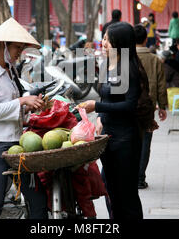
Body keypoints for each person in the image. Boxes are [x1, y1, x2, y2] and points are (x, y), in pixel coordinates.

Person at [0, 18, 48, 219]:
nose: (20, 52)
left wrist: (32, 106)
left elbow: (16, 110)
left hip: (17, 146)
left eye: (22, 47)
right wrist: (23, 101)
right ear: (3, 45)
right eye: (17, 47)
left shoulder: (11, 71)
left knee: (37, 199)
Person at [78, 22, 145, 219]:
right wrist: (100, 117)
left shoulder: (128, 69)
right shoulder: (110, 65)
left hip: (125, 140)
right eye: (104, 38)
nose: (103, 43)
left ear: (120, 43)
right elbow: (109, 99)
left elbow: (129, 106)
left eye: (108, 39)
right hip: (110, 137)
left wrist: (96, 107)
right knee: (111, 191)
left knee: (126, 196)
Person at [133, 25, 168, 189]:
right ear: (146, 39)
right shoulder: (155, 60)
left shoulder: (127, 58)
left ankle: (130, 177)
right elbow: (161, 85)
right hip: (148, 108)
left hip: (129, 107)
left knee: (131, 142)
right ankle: (140, 178)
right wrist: (162, 106)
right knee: (145, 143)